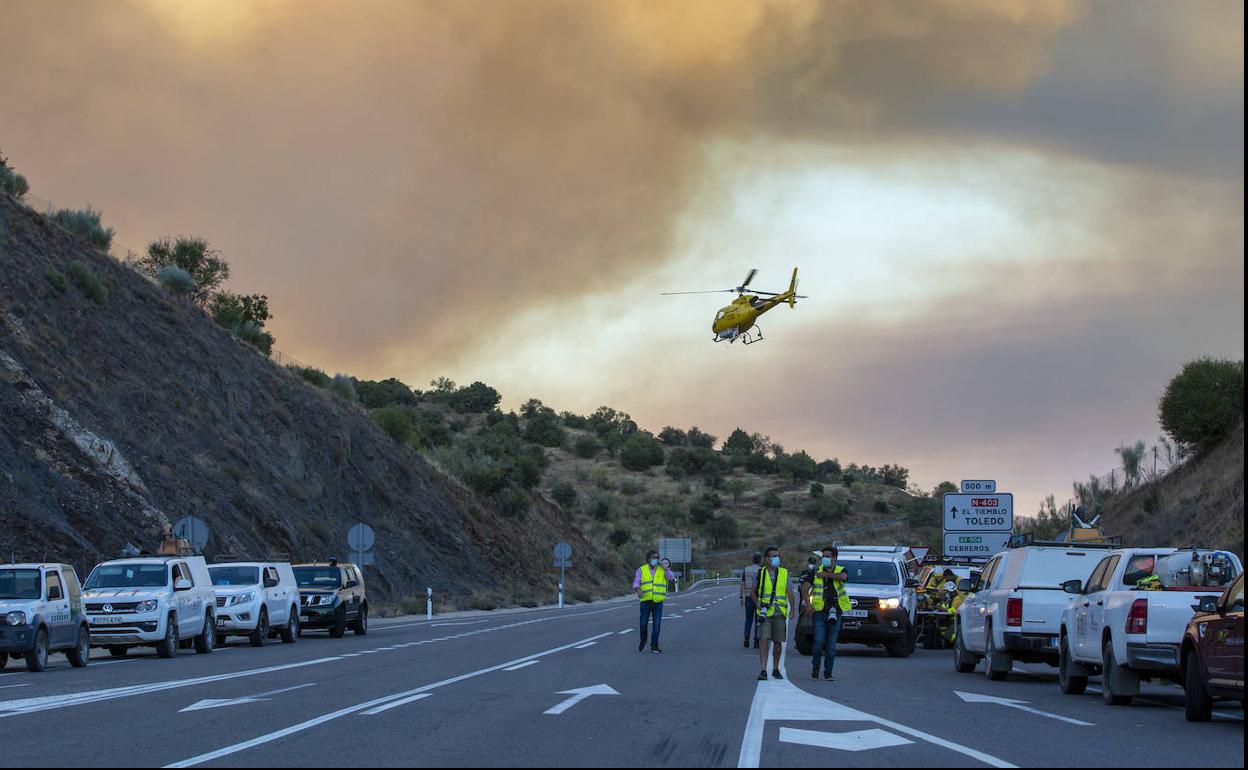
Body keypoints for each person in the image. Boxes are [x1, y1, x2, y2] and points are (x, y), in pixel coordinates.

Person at [801, 545, 850, 681]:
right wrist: (808, 604)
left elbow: (844, 577)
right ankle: (815, 667)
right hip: (820, 612)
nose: (825, 559)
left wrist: (827, 575)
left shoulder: (841, 570)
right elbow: (804, 588)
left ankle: (828, 672)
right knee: (818, 642)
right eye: (824, 557)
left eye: (828, 557)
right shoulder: (816, 571)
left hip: (836, 611)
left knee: (831, 645)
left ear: (834, 558)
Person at [755, 546, 795, 681]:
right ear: (767, 559)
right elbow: (752, 592)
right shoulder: (761, 573)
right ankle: (763, 670)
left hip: (779, 613)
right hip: (765, 614)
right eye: (774, 556)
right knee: (764, 640)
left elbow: (789, 592)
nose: (777, 558)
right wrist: (758, 604)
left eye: (778, 556)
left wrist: (793, 609)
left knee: (778, 642)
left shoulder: (784, 573)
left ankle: (776, 669)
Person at [633, 550, 668, 653]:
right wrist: (638, 589)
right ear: (648, 559)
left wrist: (665, 567)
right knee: (643, 623)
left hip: (658, 601)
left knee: (656, 624)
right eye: (653, 557)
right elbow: (636, 582)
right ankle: (643, 640)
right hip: (645, 601)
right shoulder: (642, 569)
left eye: (657, 557)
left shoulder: (662, 570)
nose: (655, 559)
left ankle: (654, 645)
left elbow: (670, 577)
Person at [740, 552, 762, 648]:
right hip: (758, 598)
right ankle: (756, 641)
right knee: (758, 620)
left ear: (752, 560)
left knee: (748, 619)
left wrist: (741, 597)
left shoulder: (746, 569)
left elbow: (743, 583)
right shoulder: (761, 570)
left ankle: (746, 636)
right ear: (760, 560)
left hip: (748, 596)